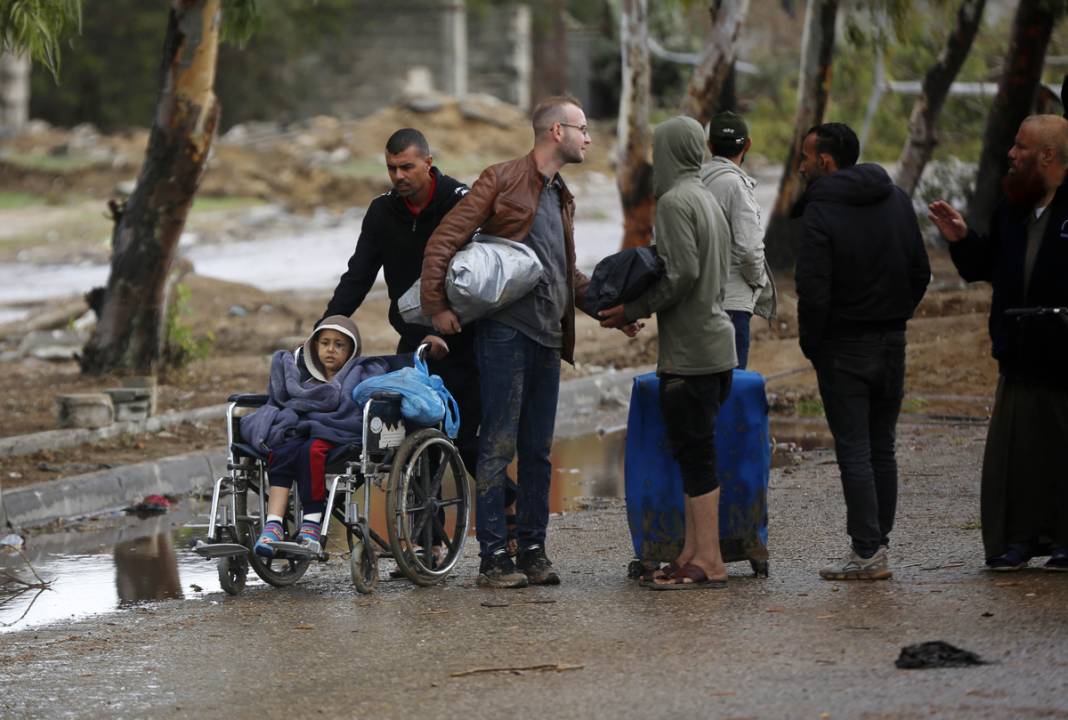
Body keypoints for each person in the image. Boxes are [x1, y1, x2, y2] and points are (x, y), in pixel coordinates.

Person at [420, 95, 638, 588]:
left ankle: (534, 551)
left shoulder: (561, 195)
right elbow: (444, 240)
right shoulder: (500, 179)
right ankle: (493, 557)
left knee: (538, 451)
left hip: (547, 338)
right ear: (555, 132)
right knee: (496, 448)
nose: (589, 138)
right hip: (504, 336)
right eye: (582, 128)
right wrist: (438, 308)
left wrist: (610, 311)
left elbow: (566, 272)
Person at [321, 128, 521, 556]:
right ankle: (427, 544)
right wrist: (327, 328)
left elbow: (481, 271)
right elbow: (358, 276)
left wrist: (447, 318)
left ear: (428, 162)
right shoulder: (381, 214)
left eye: (407, 166)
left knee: (465, 440)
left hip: (463, 334)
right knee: (410, 439)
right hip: (413, 339)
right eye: (392, 168)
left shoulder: (459, 201)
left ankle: (510, 511)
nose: (399, 176)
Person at [600, 116, 737, 589]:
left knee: (697, 457)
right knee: (696, 452)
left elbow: (679, 275)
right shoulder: (708, 198)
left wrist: (629, 309)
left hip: (692, 354)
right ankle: (692, 554)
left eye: (658, 150)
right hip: (717, 347)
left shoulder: (676, 202)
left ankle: (710, 561)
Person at [929, 114, 1068, 572]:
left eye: (1021, 147)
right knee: (1018, 458)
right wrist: (963, 239)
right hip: (1019, 354)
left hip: (1063, 355)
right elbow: (991, 264)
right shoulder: (1012, 208)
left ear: (1047, 155)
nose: (1011, 154)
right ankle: (1019, 540)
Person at [794, 122, 930, 581]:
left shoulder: (820, 212)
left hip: (843, 346)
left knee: (854, 450)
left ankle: (868, 552)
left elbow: (813, 293)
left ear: (826, 162)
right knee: (881, 448)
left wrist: (814, 343)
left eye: (806, 158)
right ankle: (877, 545)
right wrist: (895, 315)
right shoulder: (896, 199)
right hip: (892, 341)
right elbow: (921, 271)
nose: (801, 166)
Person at [241, 316, 381, 556]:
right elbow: (291, 405)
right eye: (325, 343)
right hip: (305, 428)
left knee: (311, 450)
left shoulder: (357, 375)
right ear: (315, 347)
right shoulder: (306, 381)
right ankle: (273, 524)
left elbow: (352, 412)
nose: (330, 349)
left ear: (351, 350)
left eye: (339, 345)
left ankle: (311, 524)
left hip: (339, 430)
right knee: (282, 449)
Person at [699, 111, 776, 369]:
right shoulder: (737, 186)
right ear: (748, 145)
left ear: (710, 146)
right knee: (731, 384)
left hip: (697, 302)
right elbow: (749, 249)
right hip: (732, 305)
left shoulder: (694, 182)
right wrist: (758, 282)